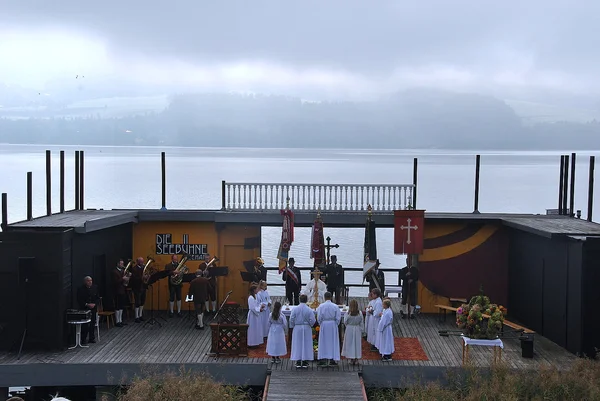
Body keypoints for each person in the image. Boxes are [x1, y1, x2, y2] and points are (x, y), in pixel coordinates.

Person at [289, 294, 316, 369]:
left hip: (297, 327)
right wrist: (310, 325)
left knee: (297, 344)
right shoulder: (309, 309)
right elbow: (313, 320)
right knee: (306, 344)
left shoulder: (295, 309)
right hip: (306, 328)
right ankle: (305, 361)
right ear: (306, 300)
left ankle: (298, 361)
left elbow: (291, 319)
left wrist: (293, 326)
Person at [316, 292, 341, 366]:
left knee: (324, 342)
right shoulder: (335, 306)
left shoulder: (321, 306)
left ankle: (323, 359)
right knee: (333, 341)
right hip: (332, 325)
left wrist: (321, 323)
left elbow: (319, 317)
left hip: (324, 324)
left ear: (324, 297)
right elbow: (338, 318)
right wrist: (335, 324)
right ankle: (332, 359)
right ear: (331, 297)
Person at [76, 276, 99, 344]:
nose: (90, 282)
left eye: (91, 280)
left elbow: (98, 298)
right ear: (85, 282)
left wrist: (94, 304)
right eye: (88, 281)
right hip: (84, 308)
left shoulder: (95, 287)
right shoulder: (80, 289)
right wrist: (86, 304)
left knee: (92, 323)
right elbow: (79, 299)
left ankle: (92, 338)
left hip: (93, 308)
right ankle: (83, 339)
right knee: (85, 324)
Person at [342, 299, 364, 366]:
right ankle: (356, 359)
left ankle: (351, 359)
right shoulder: (359, 313)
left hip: (349, 329)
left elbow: (345, 321)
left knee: (350, 343)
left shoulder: (348, 313)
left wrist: (348, 326)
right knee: (356, 344)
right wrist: (362, 330)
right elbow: (361, 322)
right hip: (357, 328)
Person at [112, 259, 130, 327]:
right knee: (117, 306)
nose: (123, 265)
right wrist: (123, 278)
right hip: (117, 291)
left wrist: (128, 277)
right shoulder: (114, 272)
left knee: (121, 306)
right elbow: (115, 282)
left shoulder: (123, 271)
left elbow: (125, 281)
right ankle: (117, 321)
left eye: (123, 264)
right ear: (118, 264)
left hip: (123, 290)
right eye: (121, 264)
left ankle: (120, 320)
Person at [129, 257, 147, 323]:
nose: (142, 263)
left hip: (143, 287)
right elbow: (134, 278)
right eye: (141, 261)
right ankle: (136, 316)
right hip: (137, 288)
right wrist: (142, 277)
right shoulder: (134, 269)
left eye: (142, 261)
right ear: (138, 262)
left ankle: (140, 315)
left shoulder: (144, 268)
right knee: (137, 302)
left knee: (142, 301)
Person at [367, 288, 383, 352]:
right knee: (372, 331)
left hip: (376, 320)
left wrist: (371, 311)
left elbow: (378, 312)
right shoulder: (374, 300)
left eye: (372, 294)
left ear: (376, 295)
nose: (371, 295)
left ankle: (376, 345)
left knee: (375, 332)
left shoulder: (378, 302)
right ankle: (373, 343)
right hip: (372, 318)